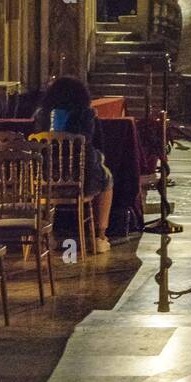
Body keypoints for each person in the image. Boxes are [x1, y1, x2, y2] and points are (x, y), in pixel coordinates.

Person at [35, 77, 113, 255]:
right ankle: (100, 236)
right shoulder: (86, 114)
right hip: (80, 177)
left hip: (46, 178)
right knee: (108, 178)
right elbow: (95, 143)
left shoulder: (42, 114)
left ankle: (47, 235)